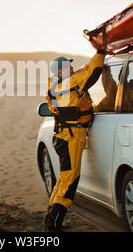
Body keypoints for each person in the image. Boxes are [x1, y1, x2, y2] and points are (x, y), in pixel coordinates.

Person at [44, 37, 106, 232]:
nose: (71, 68)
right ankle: (54, 226)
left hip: (62, 136)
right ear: (59, 72)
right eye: (66, 67)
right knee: (69, 181)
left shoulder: (55, 86)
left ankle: (50, 220)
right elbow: (92, 73)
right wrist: (101, 52)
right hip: (70, 137)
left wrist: (97, 54)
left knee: (63, 178)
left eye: (70, 66)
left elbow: (83, 72)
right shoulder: (69, 84)